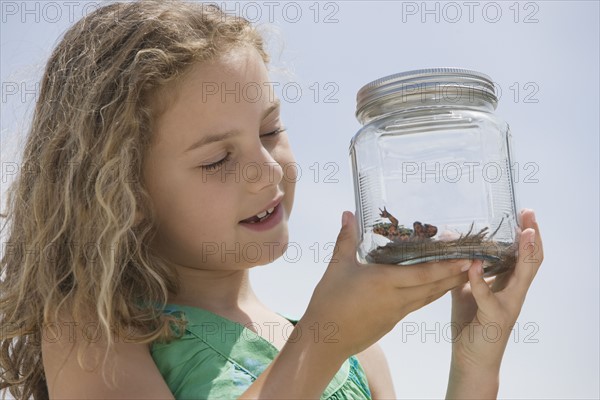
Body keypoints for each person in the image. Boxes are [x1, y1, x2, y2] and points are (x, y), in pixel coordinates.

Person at [0, 1, 544, 399]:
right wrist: (319, 343)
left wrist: (475, 358)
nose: (267, 171)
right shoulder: (91, 328)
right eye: (217, 159)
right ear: (123, 193)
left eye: (270, 131)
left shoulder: (359, 353)